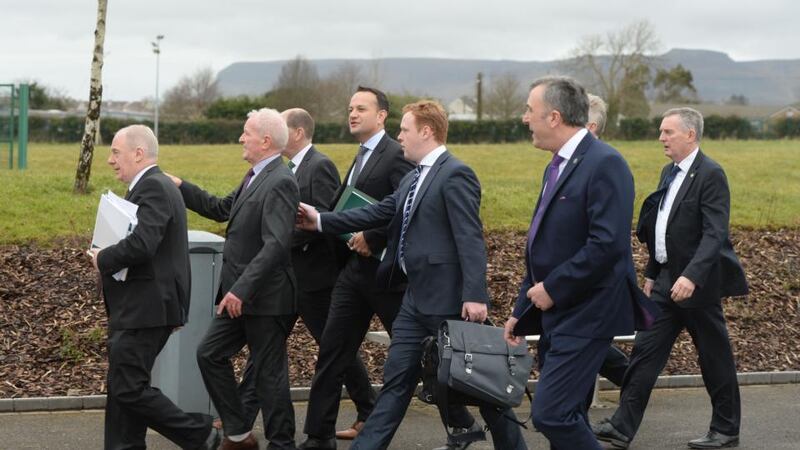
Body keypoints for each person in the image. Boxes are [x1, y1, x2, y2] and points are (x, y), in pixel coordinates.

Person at [297, 100, 527, 450]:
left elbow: (470, 238)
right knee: (396, 383)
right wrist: (320, 221)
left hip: (448, 302)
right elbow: (378, 212)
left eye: (405, 130)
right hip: (414, 301)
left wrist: (475, 295)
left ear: (426, 131)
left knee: (482, 388)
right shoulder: (412, 177)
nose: (399, 136)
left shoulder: (456, 173)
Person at [502, 77, 656, 450]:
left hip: (589, 312)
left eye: (530, 110)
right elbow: (542, 247)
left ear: (554, 117)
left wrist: (554, 289)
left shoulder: (606, 163)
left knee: (551, 414)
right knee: (568, 413)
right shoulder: (556, 165)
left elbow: (607, 245)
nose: (525, 118)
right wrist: (521, 310)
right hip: (557, 313)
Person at [593, 107, 747, 449]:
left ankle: (726, 430)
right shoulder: (669, 172)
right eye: (661, 131)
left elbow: (714, 233)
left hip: (697, 287)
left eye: (668, 132)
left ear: (690, 135)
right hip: (665, 283)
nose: (661, 137)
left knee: (714, 358)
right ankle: (621, 426)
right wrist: (652, 272)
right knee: (644, 354)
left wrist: (691, 276)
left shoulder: (711, 173)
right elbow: (661, 228)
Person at [235, 108, 377, 437]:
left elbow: (324, 220)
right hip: (288, 277)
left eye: (282, 127)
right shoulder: (287, 168)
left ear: (297, 133)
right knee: (265, 347)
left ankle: (369, 411)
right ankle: (239, 418)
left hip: (314, 279)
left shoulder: (319, 165)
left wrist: (276, 239)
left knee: (335, 348)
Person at [167, 108, 299, 450]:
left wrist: (241, 289)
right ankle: (239, 434)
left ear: (265, 141)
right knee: (209, 354)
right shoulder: (254, 175)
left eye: (246, 133)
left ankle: (282, 444)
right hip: (239, 296)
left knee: (269, 377)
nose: (241, 138)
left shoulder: (281, 181)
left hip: (265, 298)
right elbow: (221, 208)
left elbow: (276, 245)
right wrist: (181, 187)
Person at [89, 124, 220, 450]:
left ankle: (201, 434)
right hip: (141, 307)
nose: (110, 160)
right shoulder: (151, 186)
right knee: (124, 386)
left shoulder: (153, 187)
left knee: (128, 387)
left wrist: (103, 257)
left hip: (144, 309)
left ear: (138, 153)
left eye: (116, 152)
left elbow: (143, 244)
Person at [298, 87, 413, 449]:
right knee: (332, 351)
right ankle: (319, 436)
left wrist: (374, 238)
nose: (352, 114)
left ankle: (461, 422)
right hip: (353, 273)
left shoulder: (396, 154)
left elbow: (407, 205)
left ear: (382, 116)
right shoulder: (361, 155)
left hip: (386, 276)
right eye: (350, 108)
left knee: (419, 354)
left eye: (361, 108)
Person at [586, 93, 630, 390]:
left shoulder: (606, 164)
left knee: (590, 349)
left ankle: (636, 385)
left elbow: (607, 239)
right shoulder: (563, 164)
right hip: (571, 288)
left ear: (590, 127)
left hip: (595, 286)